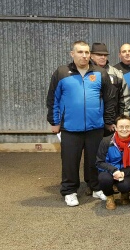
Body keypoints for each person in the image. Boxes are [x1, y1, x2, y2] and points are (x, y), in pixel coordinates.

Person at [46, 40, 116, 207]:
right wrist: (54, 122)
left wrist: (108, 121)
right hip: (70, 127)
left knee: (95, 160)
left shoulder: (100, 73)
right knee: (70, 161)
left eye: (86, 52)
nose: (84, 55)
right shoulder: (62, 73)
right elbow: (52, 99)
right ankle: (69, 191)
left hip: (95, 126)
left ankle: (96, 187)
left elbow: (109, 99)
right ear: (72, 54)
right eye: (80, 52)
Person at [95, 115, 130, 210]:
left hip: (125, 170)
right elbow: (99, 162)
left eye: (127, 127)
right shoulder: (106, 141)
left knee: (125, 186)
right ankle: (109, 197)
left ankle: (124, 193)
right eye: (121, 127)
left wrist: (124, 172)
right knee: (104, 179)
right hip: (108, 170)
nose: (124, 129)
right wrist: (114, 171)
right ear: (116, 128)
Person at [90, 42, 130, 136]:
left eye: (105, 55)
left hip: (112, 123)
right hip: (90, 123)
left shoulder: (117, 74)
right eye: (99, 55)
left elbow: (125, 99)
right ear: (91, 56)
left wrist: (122, 120)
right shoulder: (85, 73)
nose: (103, 57)